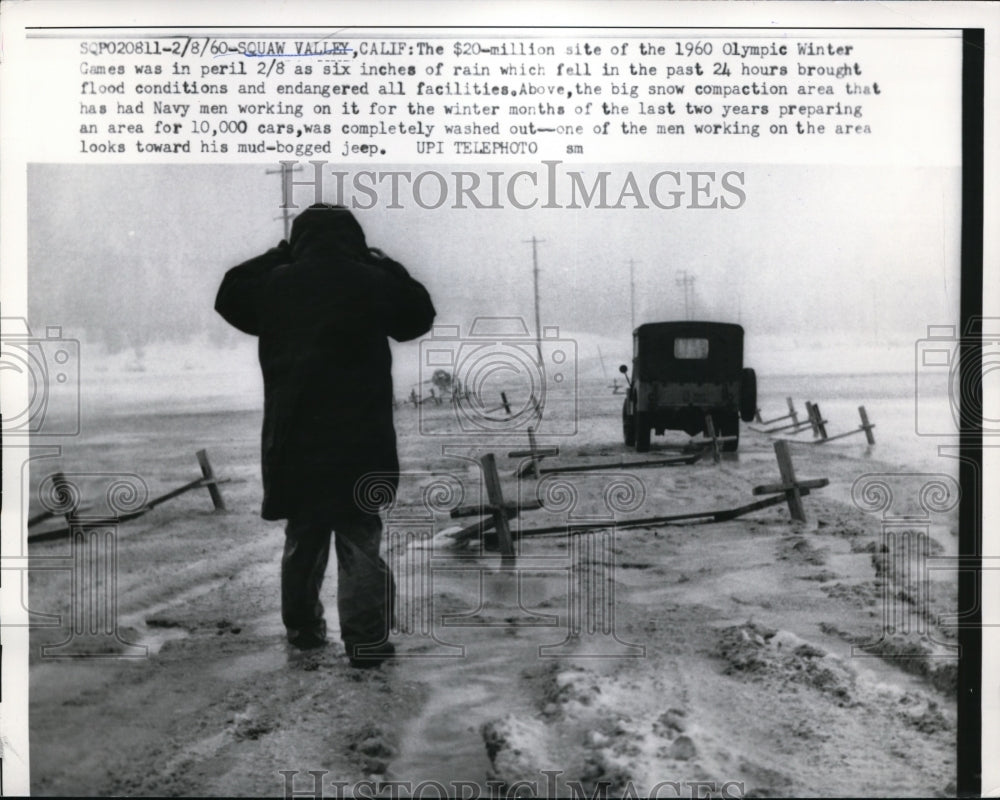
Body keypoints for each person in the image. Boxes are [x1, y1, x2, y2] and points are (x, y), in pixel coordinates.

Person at [214, 204, 436, 666]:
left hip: (295, 443)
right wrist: (379, 262)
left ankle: (303, 631)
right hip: (360, 442)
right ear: (353, 238)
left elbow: (229, 292)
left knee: (303, 541)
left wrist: (279, 255)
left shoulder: (276, 285)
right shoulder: (370, 281)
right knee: (359, 543)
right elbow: (419, 313)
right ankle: (366, 641)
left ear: (299, 240)